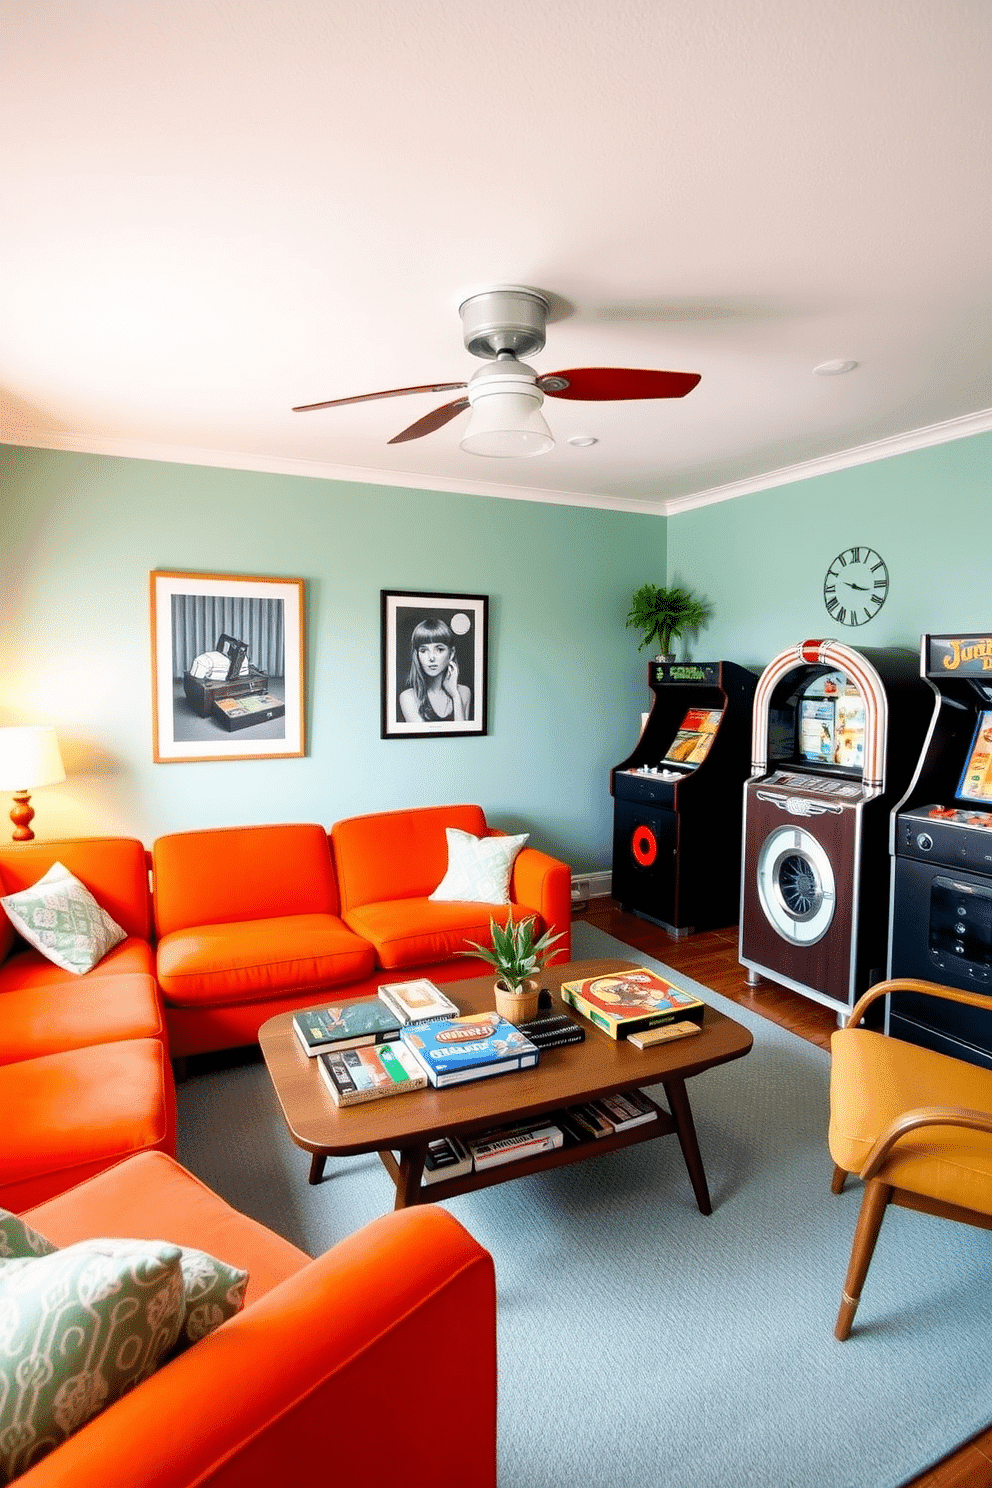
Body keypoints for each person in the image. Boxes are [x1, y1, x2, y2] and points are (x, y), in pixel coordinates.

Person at [398, 617, 472, 724]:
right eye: (423, 650)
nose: (431, 657)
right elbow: (423, 739)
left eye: (439, 649)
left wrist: (455, 695)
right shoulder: (408, 697)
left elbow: (465, 737)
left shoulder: (464, 692)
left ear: (451, 653)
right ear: (417, 655)